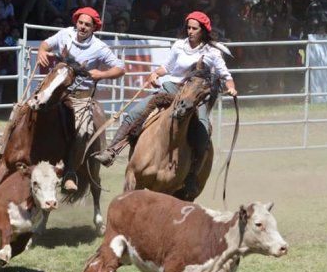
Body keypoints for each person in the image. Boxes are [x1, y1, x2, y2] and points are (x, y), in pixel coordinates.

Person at [0, 7, 126, 191]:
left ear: (94, 28)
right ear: (76, 22)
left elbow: (120, 68)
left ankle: (70, 172)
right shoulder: (65, 34)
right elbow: (45, 44)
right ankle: (1, 148)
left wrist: (101, 74)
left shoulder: (99, 47)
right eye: (80, 22)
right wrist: (42, 52)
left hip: (79, 97)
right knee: (21, 107)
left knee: (82, 130)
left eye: (87, 25)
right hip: (55, 89)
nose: (82, 27)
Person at [93, 11, 236, 196]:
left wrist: (231, 88)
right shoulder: (179, 45)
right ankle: (113, 150)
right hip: (171, 90)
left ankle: (191, 176)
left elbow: (226, 75)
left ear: (203, 30)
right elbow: (167, 67)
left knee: (203, 131)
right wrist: (155, 74)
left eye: (194, 28)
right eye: (188, 28)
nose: (190, 31)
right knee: (136, 112)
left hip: (194, 98)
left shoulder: (212, 52)